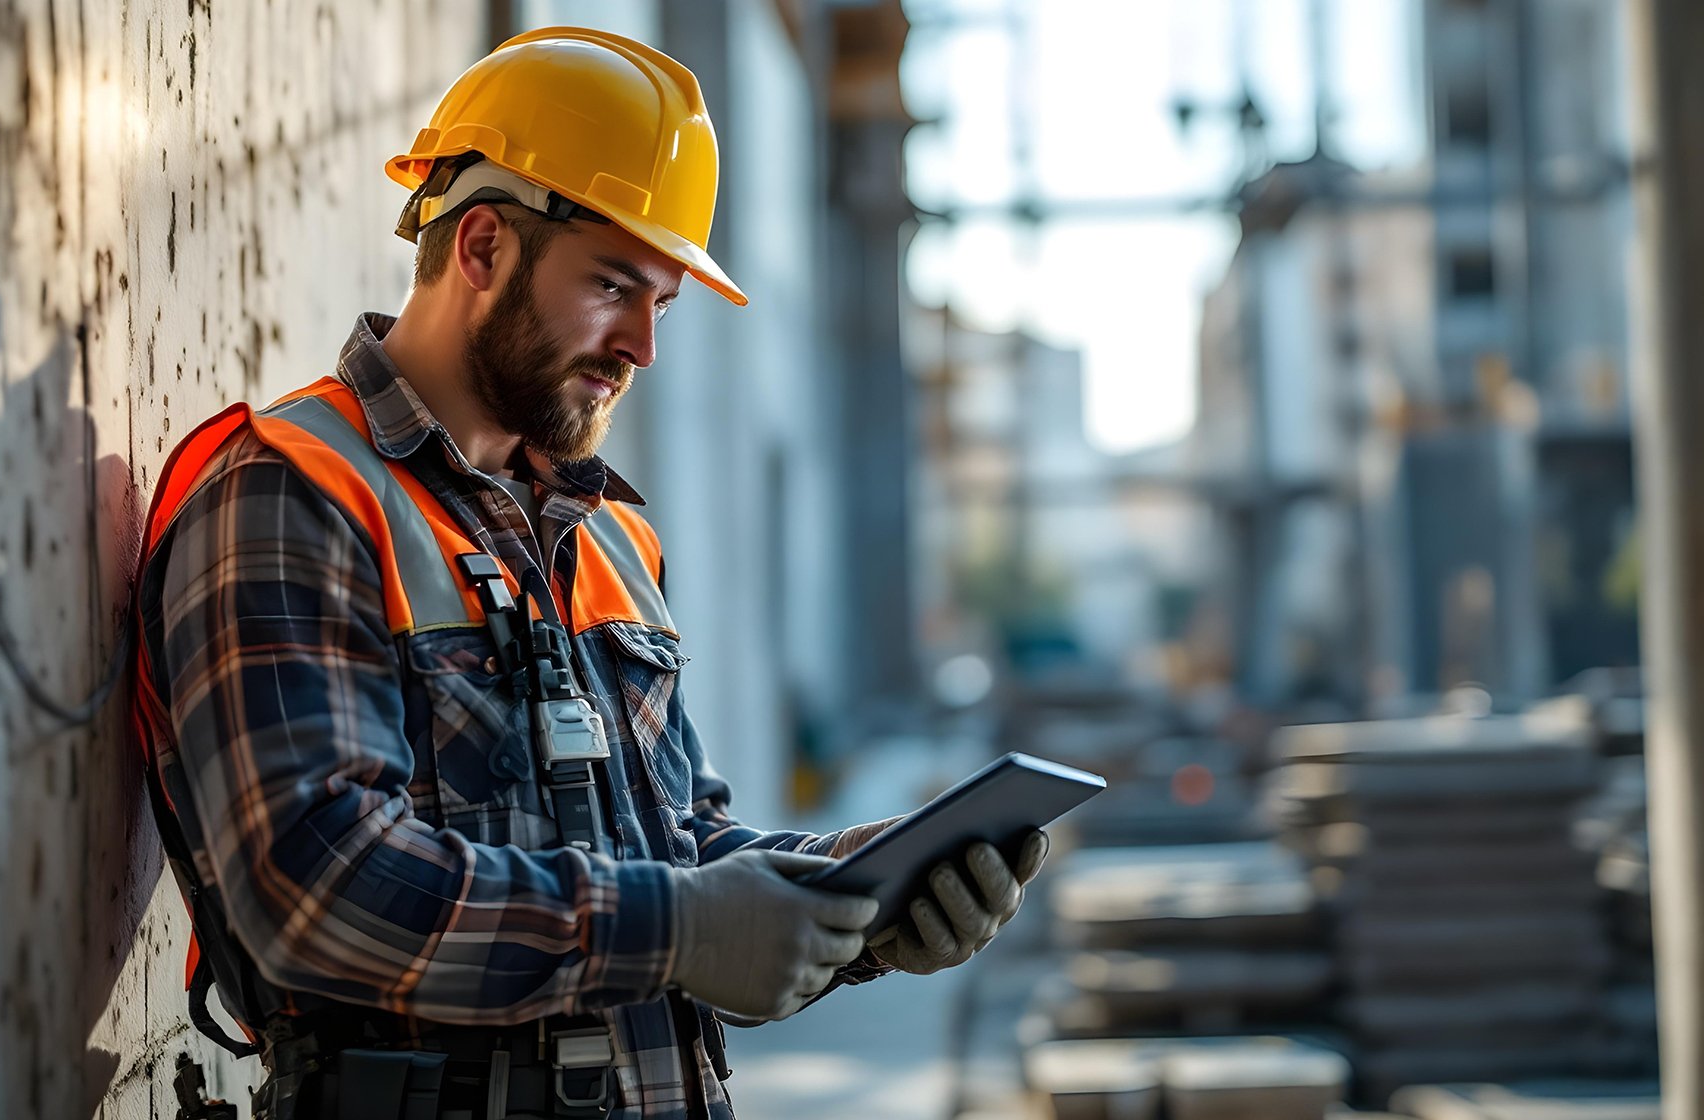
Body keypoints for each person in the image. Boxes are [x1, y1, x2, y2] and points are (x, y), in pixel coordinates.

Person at [130, 26, 1047, 1120]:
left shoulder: (606, 535)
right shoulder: (295, 495)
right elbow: (318, 887)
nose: (642, 347)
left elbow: (680, 847)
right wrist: (682, 930)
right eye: (614, 285)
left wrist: (852, 894)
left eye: (662, 302)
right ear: (479, 249)